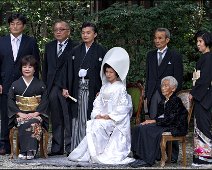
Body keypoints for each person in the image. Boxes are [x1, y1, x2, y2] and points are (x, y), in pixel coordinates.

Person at [67, 47, 134, 164]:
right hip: (103, 117)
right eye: (106, 72)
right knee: (93, 123)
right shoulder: (104, 86)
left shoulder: (120, 88)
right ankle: (94, 153)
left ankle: (101, 153)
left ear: (116, 73)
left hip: (116, 120)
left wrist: (109, 116)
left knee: (98, 125)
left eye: (111, 72)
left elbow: (123, 107)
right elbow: (97, 103)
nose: (108, 74)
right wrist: (97, 114)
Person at [61, 21, 107, 152]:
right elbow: (67, 70)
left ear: (95, 34)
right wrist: (65, 87)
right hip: (77, 89)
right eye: (83, 33)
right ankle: (76, 147)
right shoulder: (75, 51)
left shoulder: (101, 51)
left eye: (88, 33)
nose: (85, 35)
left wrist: (102, 89)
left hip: (93, 90)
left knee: (90, 117)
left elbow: (106, 73)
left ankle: (91, 148)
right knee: (77, 118)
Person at [0, 13, 40, 155]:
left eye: (18, 23)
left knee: (26, 113)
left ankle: (26, 146)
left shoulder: (30, 42)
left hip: (25, 84)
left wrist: (35, 84)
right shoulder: (2, 41)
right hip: (4, 83)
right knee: (5, 114)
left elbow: (36, 63)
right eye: (12, 23)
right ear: (9, 25)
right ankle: (4, 145)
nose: (15, 26)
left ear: (23, 26)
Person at [130, 76, 188, 168]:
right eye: (162, 85)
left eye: (166, 85)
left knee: (148, 130)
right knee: (139, 127)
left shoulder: (176, 100)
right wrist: (152, 121)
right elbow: (160, 117)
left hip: (175, 125)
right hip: (165, 123)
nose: (163, 88)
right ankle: (139, 156)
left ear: (173, 88)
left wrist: (153, 121)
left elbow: (171, 119)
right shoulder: (162, 102)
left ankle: (147, 159)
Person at [145, 27, 183, 162]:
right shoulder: (150, 55)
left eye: (160, 38)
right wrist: (147, 95)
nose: (157, 40)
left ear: (167, 39)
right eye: (155, 38)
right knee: (154, 125)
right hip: (153, 95)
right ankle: (156, 155)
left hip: (168, 96)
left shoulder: (175, 56)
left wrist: (172, 97)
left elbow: (179, 78)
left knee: (170, 124)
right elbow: (148, 76)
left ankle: (172, 157)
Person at [42, 20, 79, 156]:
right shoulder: (49, 46)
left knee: (68, 117)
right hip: (52, 87)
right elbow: (45, 68)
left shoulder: (76, 46)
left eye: (61, 29)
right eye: (56, 29)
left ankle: (70, 147)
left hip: (67, 88)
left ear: (68, 31)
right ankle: (57, 148)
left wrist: (70, 86)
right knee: (56, 118)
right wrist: (44, 86)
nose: (58, 32)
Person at [7, 55, 48, 160]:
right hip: (20, 114)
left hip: (36, 114)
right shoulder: (15, 84)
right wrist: (20, 113)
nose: (27, 69)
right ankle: (26, 150)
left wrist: (36, 113)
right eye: (24, 66)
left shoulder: (40, 84)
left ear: (34, 69)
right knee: (24, 121)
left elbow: (45, 100)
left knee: (33, 121)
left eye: (30, 67)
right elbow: (10, 100)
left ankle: (29, 150)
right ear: (21, 68)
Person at [189, 30, 212, 166]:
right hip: (202, 96)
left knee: (203, 126)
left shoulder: (209, 58)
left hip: (205, 97)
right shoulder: (204, 57)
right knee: (199, 126)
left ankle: (206, 158)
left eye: (200, 41)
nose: (198, 44)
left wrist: (194, 93)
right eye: (197, 41)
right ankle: (200, 157)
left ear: (207, 42)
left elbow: (204, 80)